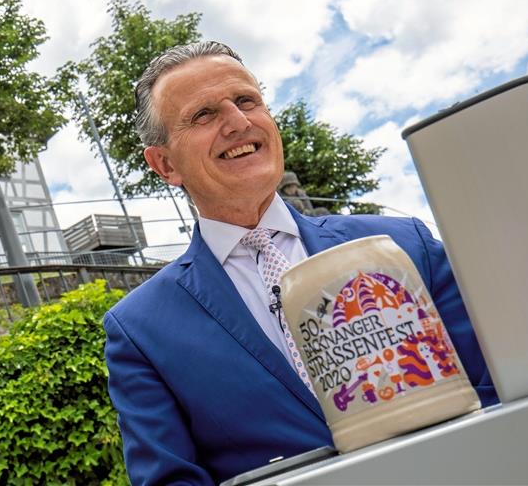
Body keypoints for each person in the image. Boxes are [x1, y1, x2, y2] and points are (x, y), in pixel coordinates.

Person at [103, 41, 496, 486]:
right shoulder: (139, 330)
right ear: (165, 164)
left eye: (247, 100)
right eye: (204, 115)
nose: (238, 122)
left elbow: (498, 389)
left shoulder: (405, 244)